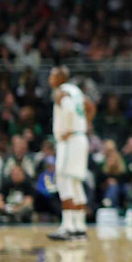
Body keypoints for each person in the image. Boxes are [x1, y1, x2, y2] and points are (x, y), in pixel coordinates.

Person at [47, 66, 93, 241]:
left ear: (60, 77)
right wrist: (86, 124)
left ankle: (67, 227)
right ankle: (80, 227)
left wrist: (68, 128)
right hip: (80, 138)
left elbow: (68, 109)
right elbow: (91, 106)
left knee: (64, 181)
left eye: (52, 75)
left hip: (69, 140)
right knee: (76, 183)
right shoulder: (76, 91)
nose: (50, 78)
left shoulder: (61, 92)